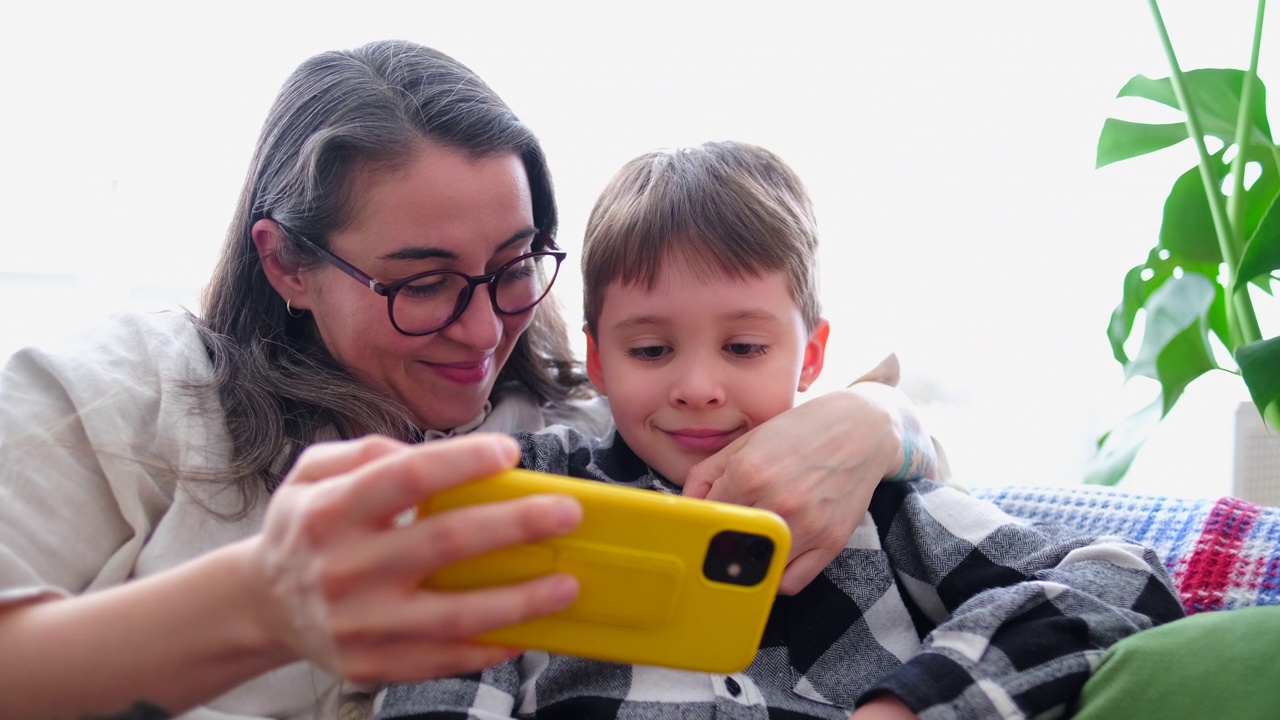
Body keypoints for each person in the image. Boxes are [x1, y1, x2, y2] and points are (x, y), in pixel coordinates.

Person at [0, 42, 941, 720]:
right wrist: (257, 606)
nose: (488, 326)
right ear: (287, 263)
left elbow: (900, 489)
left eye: (514, 264)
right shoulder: (127, 399)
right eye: (424, 285)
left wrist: (876, 419)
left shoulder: (583, 422)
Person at [374, 141, 1185, 720]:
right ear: (599, 357)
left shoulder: (880, 506)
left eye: (745, 347)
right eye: (651, 349)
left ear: (810, 356)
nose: (697, 388)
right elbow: (442, 677)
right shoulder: (533, 491)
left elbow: (1121, 579)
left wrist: (913, 702)